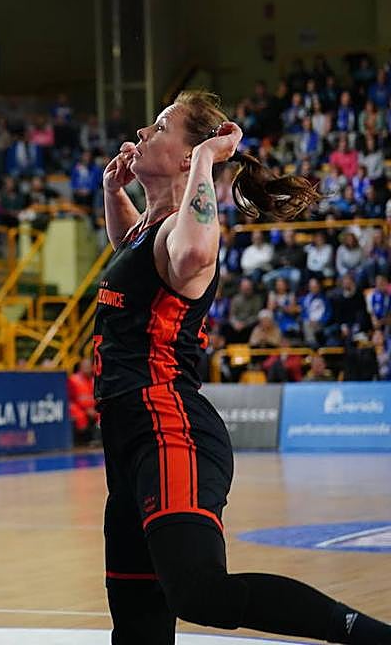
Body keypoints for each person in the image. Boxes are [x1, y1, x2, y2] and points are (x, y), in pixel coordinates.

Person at [95, 89, 391, 644]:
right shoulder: (148, 229)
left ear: (188, 156)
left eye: (160, 128)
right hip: (127, 439)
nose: (143, 133)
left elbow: (192, 255)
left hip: (169, 429)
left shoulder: (189, 237)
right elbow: (128, 258)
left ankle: (369, 635)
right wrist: (115, 191)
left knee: (200, 591)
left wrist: (211, 160)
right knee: (137, 617)